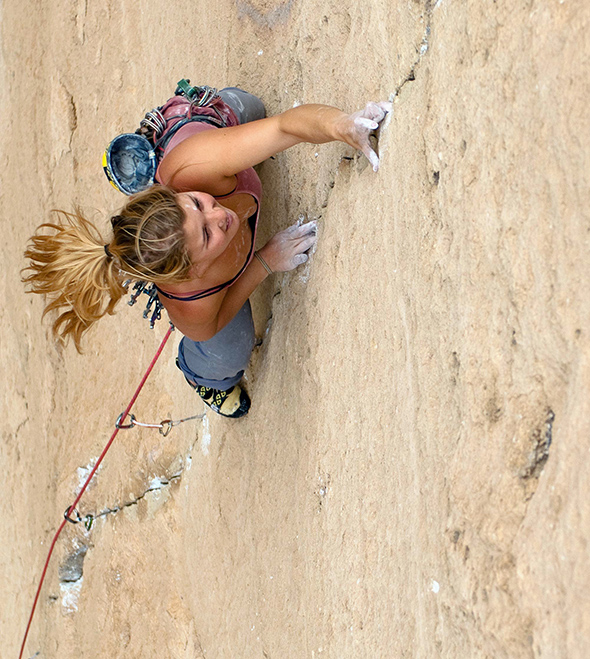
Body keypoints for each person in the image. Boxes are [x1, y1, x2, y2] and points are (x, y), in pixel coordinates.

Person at [23, 87, 391, 418]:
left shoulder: (195, 170)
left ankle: (169, 137)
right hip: (199, 266)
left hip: (194, 147)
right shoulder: (191, 305)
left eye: (197, 204)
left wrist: (341, 126)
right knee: (227, 352)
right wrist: (264, 261)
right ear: (190, 273)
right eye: (206, 234)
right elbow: (212, 325)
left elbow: (284, 127)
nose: (220, 214)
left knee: (250, 107)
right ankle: (200, 375)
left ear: (175, 193)